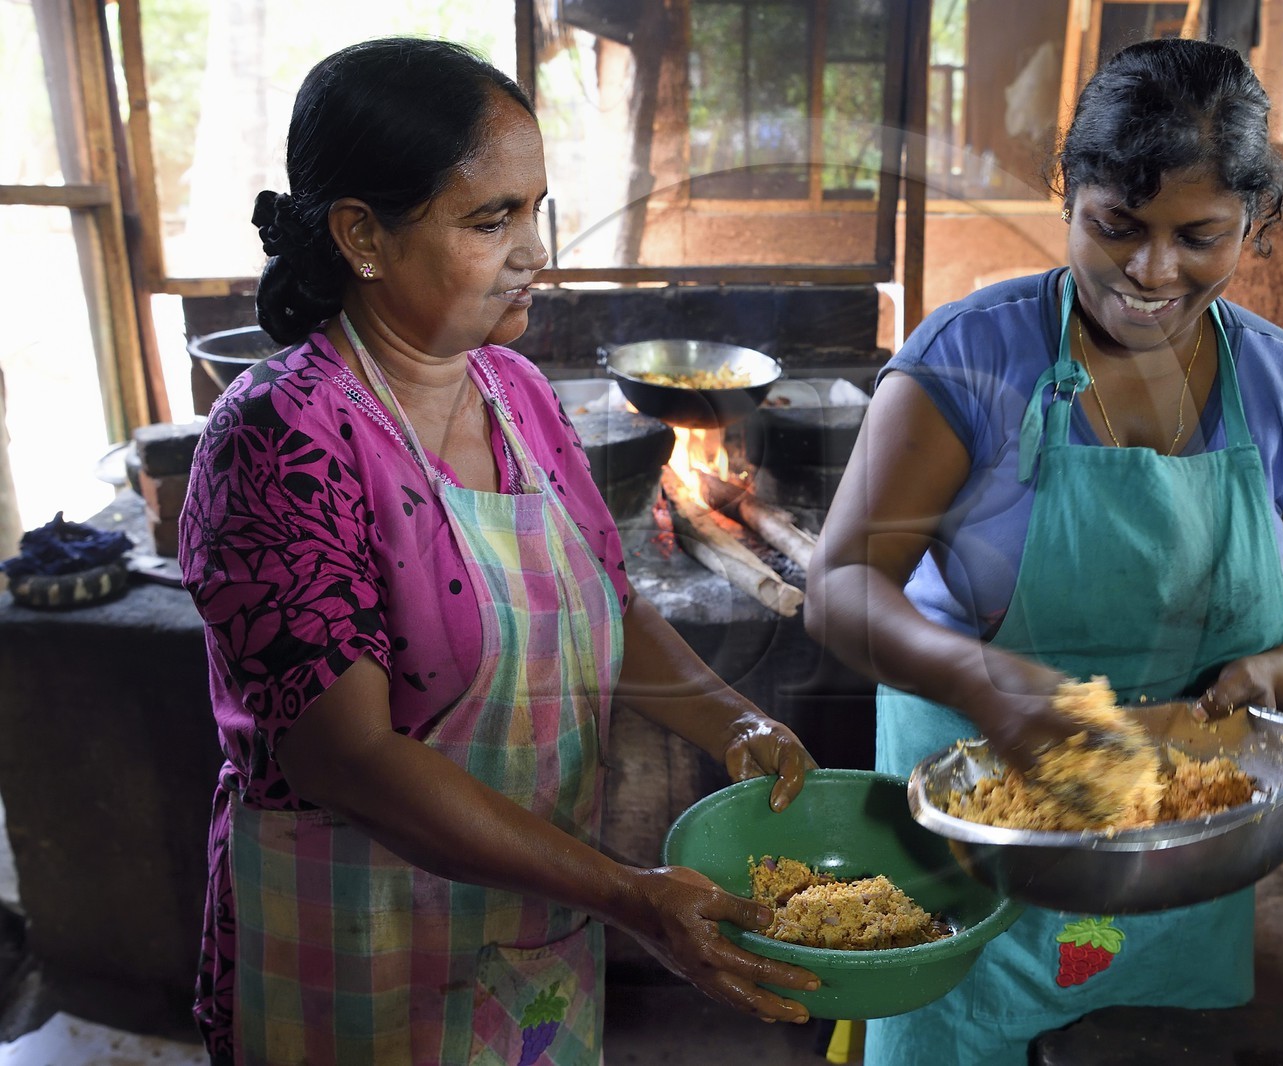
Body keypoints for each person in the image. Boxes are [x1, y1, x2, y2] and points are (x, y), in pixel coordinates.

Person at [178, 37, 819, 1066]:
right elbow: (353, 760)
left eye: (535, 210)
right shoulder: (282, 435)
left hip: (524, 925)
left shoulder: (512, 394)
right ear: (363, 236)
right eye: (491, 219)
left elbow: (608, 603)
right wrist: (629, 894)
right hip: (351, 941)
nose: (536, 252)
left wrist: (729, 715)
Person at [805, 37, 1283, 1065]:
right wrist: (983, 683)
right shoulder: (970, 362)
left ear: (1252, 218)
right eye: (1116, 227)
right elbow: (839, 588)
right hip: (972, 856)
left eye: (1198, 235)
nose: (1152, 271)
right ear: (1064, 192)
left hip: (1174, 877)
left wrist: (1263, 674)